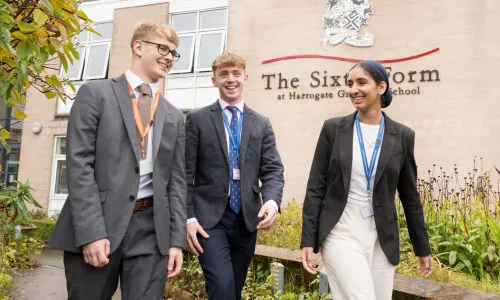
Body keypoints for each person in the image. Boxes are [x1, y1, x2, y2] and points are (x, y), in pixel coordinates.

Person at [48, 22, 187, 300]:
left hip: (152, 232)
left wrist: (175, 241)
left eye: (174, 53)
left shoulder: (174, 115)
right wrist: (91, 233)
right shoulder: (95, 94)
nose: (170, 57)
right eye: (163, 48)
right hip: (100, 225)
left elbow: (176, 183)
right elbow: (79, 166)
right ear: (138, 47)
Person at [300, 60, 433, 299]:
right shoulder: (333, 129)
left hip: (382, 236)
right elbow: (316, 186)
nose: (353, 89)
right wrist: (307, 240)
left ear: (381, 87)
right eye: (350, 83)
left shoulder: (402, 135)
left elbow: (410, 197)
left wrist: (422, 248)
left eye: (361, 82)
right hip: (341, 230)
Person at [185, 52, 285, 300]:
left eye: (236, 74)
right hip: (208, 221)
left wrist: (271, 203)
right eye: (224, 74)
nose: (231, 79)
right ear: (214, 80)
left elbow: (273, 170)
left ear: (245, 78)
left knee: (233, 290)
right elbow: (184, 174)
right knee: (222, 287)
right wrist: (188, 218)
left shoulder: (261, 123)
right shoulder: (197, 120)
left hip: (247, 220)